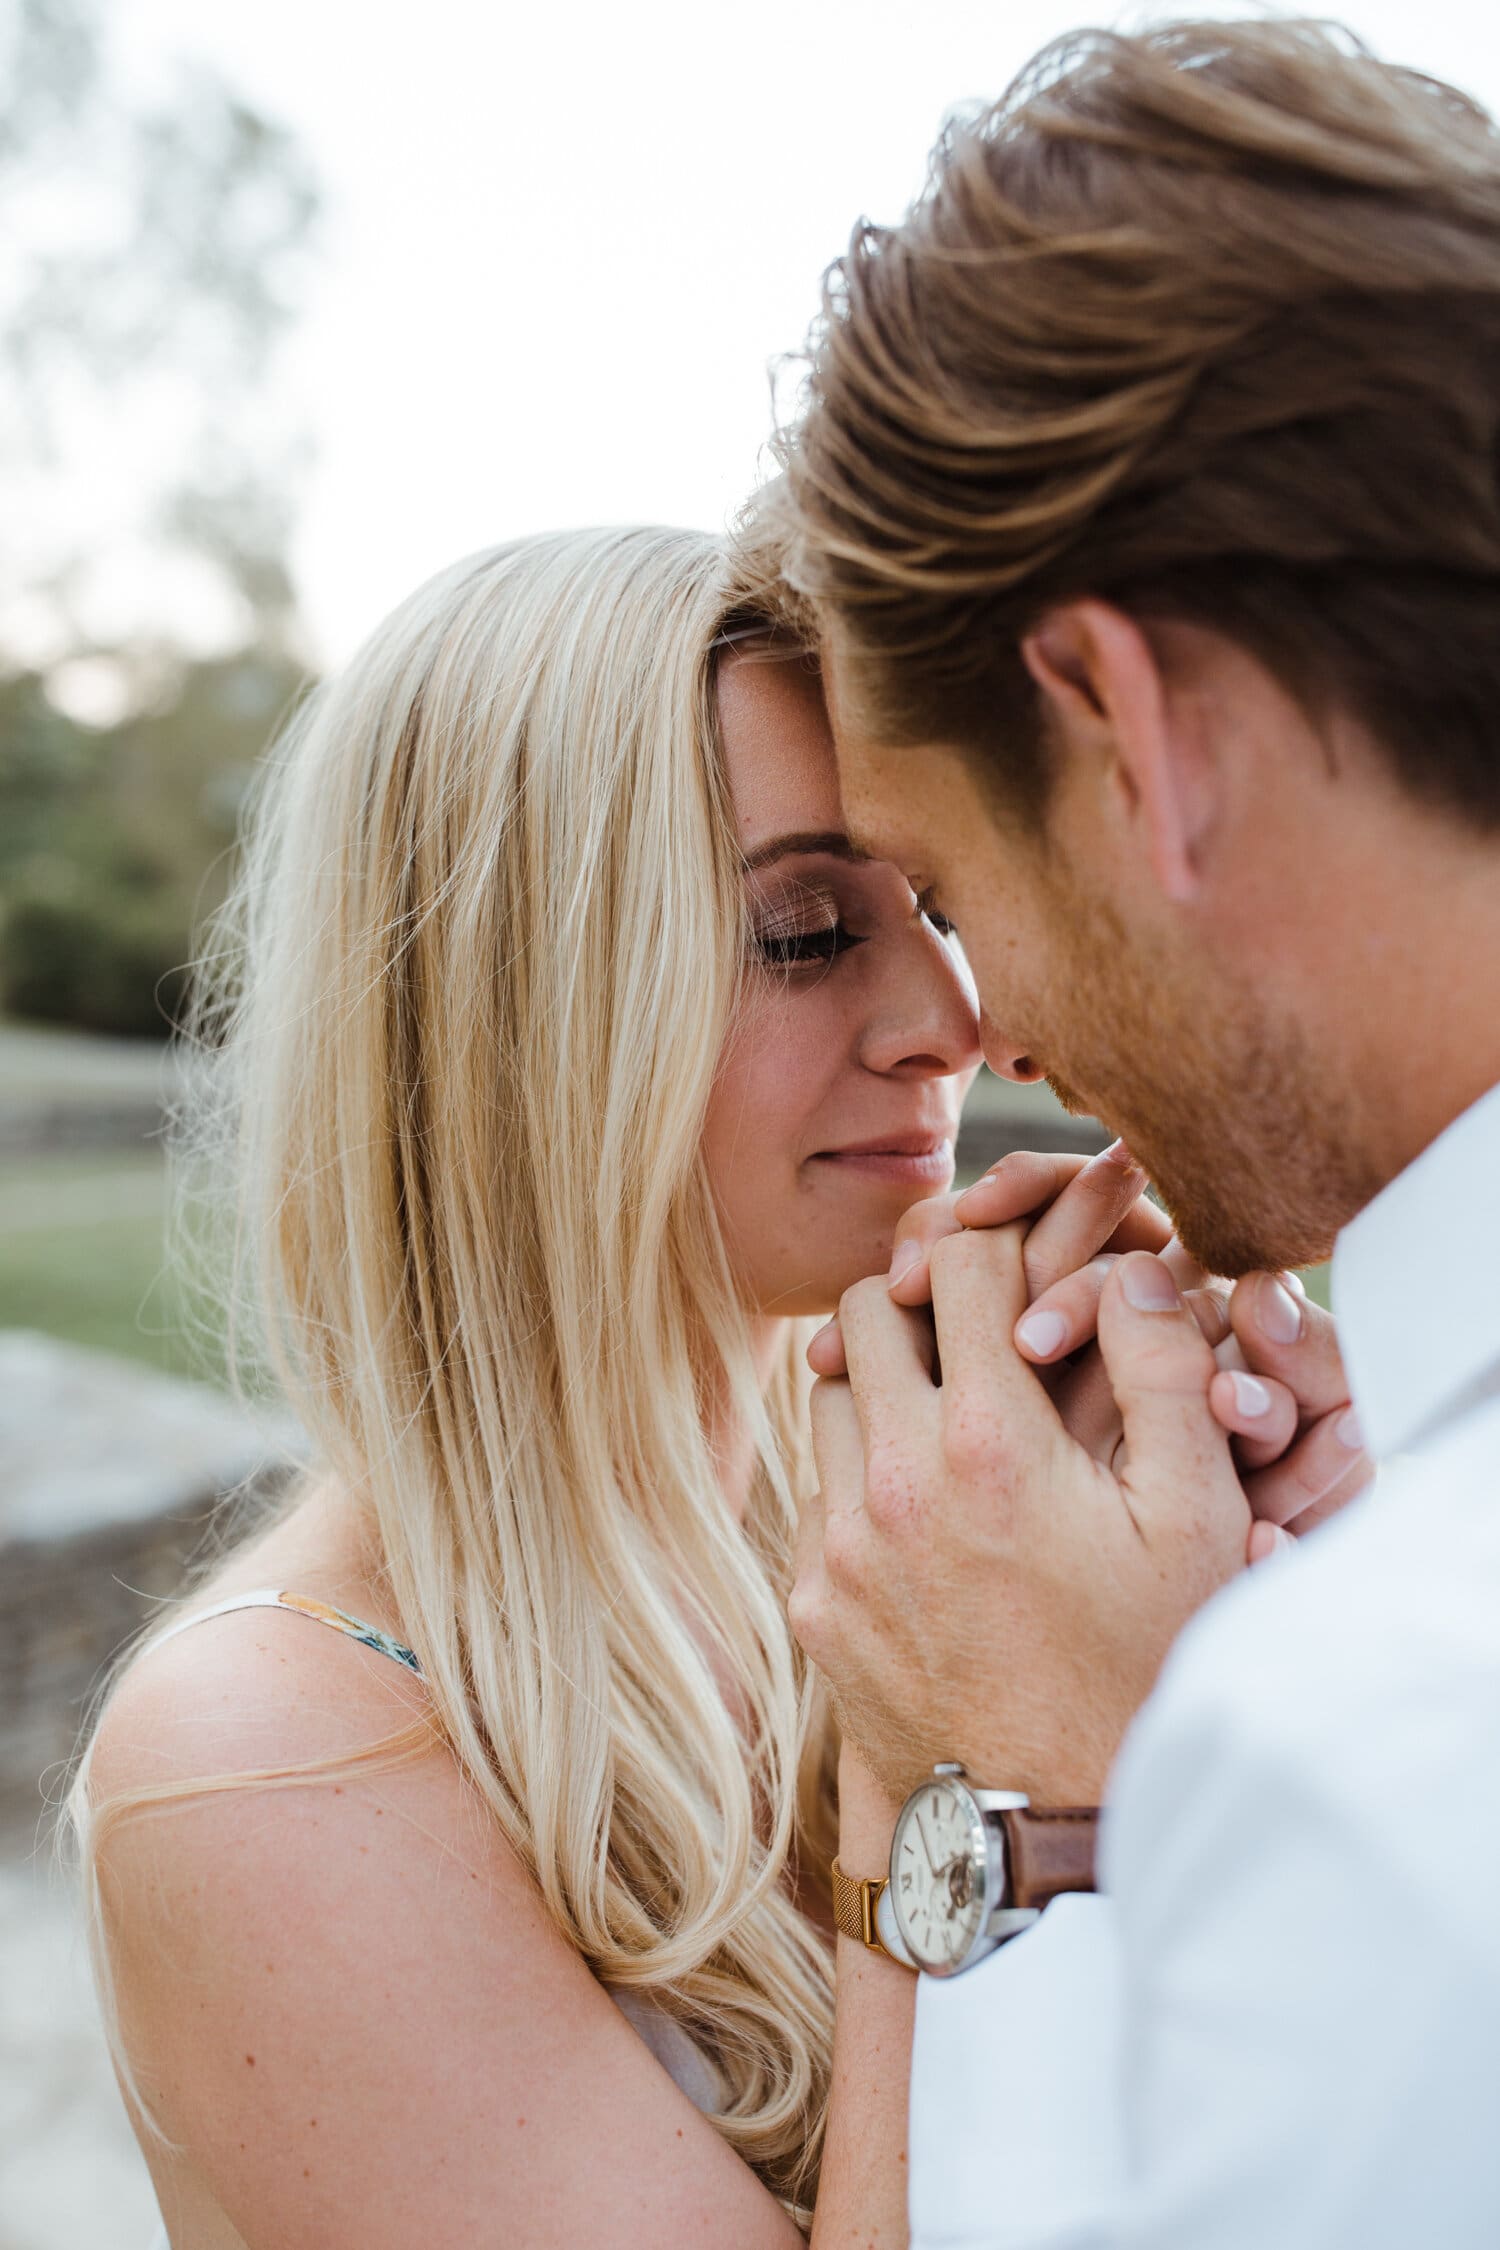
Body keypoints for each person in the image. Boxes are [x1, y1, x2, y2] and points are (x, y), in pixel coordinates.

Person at [74, 525, 1238, 2247]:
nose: (951, 1014)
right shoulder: (258, 1757)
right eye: (804, 931)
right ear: (522, 1013)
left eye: (931, 903)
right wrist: (949, 1776)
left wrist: (1227, 1598)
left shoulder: (918, 1529)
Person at [762, 18, 1500, 2248]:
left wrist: (1034, 1801)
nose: (984, 1029)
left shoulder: (1369, 1751)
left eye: (954, 886)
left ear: (1132, 733)